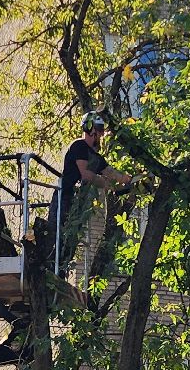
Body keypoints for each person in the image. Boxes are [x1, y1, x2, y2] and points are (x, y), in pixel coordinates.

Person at [57, 113, 137, 266]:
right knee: (58, 235)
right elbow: (86, 174)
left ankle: (60, 268)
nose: (101, 134)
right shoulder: (79, 146)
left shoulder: (97, 157)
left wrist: (129, 180)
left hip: (78, 204)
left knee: (70, 241)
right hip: (65, 198)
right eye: (99, 129)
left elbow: (110, 172)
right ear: (89, 128)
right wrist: (107, 184)